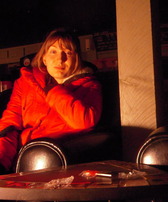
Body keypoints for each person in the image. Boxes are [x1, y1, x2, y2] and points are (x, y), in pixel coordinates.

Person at [0, 28, 102, 174]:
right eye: (53, 52)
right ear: (44, 58)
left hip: (54, 160)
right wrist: (2, 159)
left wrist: (54, 90)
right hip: (18, 158)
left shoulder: (89, 85)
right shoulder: (26, 81)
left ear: (77, 58)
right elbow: (10, 123)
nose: (60, 59)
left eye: (68, 53)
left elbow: (84, 120)